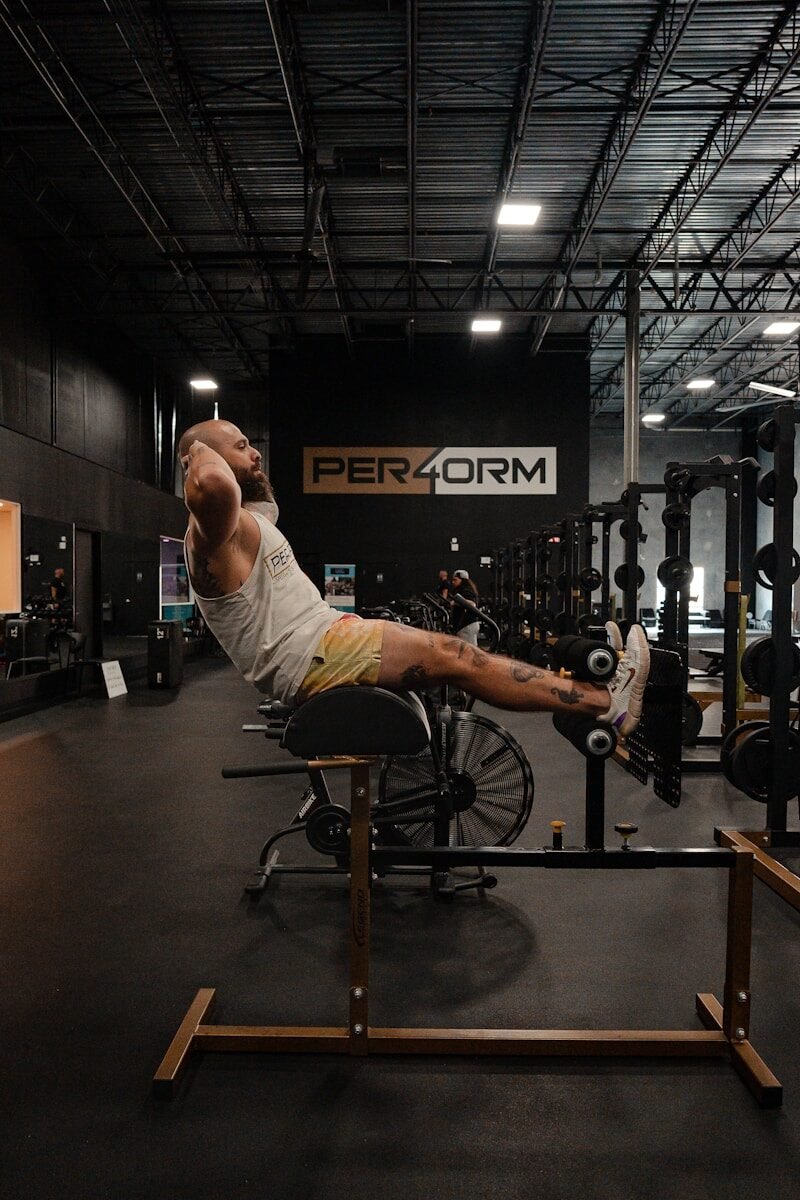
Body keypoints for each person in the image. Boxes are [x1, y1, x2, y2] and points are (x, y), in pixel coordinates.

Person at [178, 420, 650, 736]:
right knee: (459, 655)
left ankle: (599, 698)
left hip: (322, 643)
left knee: (455, 656)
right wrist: (197, 449)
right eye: (241, 446)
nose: (255, 453)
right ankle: (604, 701)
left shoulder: (251, 522)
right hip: (312, 656)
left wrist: (234, 457)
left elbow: (259, 496)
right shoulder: (214, 532)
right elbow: (212, 485)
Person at [450, 569, 481, 646]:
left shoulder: (466, 590)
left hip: (467, 625)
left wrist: (456, 602)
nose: (453, 582)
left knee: (469, 651)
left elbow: (472, 604)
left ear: (462, 580)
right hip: (464, 625)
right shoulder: (461, 590)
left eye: (455, 580)